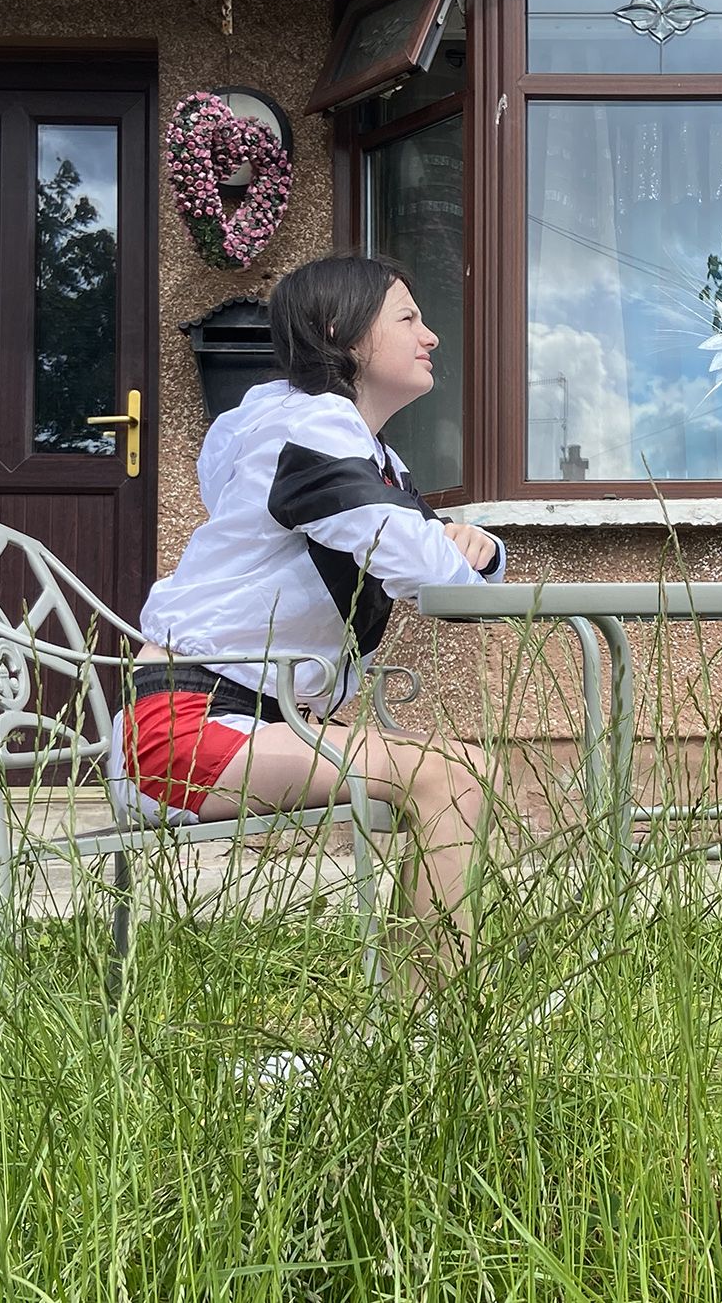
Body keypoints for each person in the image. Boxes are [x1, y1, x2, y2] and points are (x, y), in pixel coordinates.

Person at [113, 255, 503, 984]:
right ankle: (436, 1030)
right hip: (182, 729)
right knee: (453, 776)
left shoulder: (359, 450)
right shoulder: (311, 431)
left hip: (261, 721)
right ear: (340, 333)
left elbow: (441, 570)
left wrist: (474, 549)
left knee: (456, 773)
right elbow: (425, 564)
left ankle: (420, 1018)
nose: (433, 338)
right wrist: (456, 549)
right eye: (409, 318)